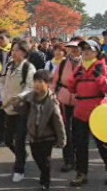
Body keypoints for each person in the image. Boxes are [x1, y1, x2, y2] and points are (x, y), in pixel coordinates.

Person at [15, 70, 66, 190]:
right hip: (33, 135)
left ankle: (45, 179)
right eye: (35, 81)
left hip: (47, 136)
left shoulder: (52, 102)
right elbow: (22, 112)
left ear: (48, 83)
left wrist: (62, 139)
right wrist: (17, 104)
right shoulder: (29, 97)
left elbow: (59, 123)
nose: (37, 84)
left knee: (45, 160)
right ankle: (44, 172)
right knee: (36, 156)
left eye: (40, 81)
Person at [68, 40, 107, 187]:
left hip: (98, 113)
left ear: (97, 52)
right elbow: (71, 89)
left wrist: (99, 78)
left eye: (89, 49)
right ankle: (81, 174)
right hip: (80, 112)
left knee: (103, 146)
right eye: (83, 49)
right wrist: (74, 79)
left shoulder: (101, 67)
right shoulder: (80, 68)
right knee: (80, 145)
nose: (85, 52)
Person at [1, 40, 36, 182]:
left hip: (22, 109)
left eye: (16, 50)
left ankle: (19, 168)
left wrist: (19, 97)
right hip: (8, 107)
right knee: (8, 139)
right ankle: (21, 155)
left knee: (20, 139)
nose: (13, 52)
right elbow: (2, 81)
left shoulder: (29, 68)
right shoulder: (8, 65)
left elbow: (30, 87)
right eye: (12, 50)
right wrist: (3, 95)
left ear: (24, 52)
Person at [52, 40, 82, 172]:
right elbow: (54, 81)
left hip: (81, 101)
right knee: (66, 131)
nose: (73, 50)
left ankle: (80, 160)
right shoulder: (63, 63)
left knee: (79, 132)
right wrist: (51, 95)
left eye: (76, 48)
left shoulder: (87, 63)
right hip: (64, 100)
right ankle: (68, 160)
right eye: (71, 48)